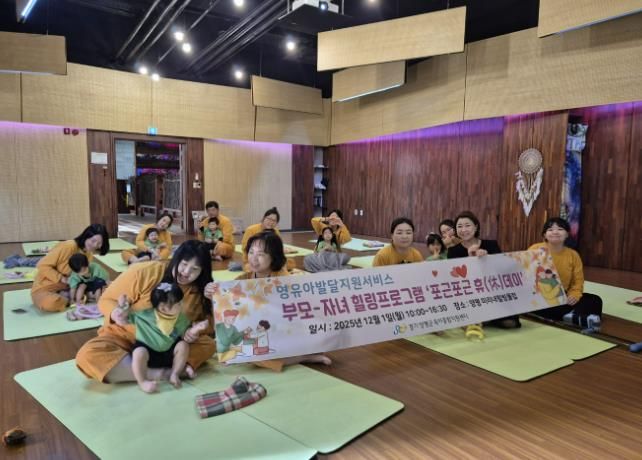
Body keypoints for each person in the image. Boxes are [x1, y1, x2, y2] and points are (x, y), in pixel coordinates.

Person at [75, 240, 216, 384]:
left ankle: (133, 368)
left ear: (202, 272)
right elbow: (107, 299)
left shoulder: (200, 291)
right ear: (176, 258)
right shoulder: (147, 271)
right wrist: (116, 313)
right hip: (127, 339)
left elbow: (209, 329)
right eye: (184, 264)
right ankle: (162, 373)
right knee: (87, 355)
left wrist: (212, 301)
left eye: (194, 269)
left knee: (208, 345)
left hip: (168, 345)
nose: (186, 272)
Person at [233, 231, 331, 370]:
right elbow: (228, 300)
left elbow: (297, 313)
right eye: (251, 252)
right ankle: (303, 357)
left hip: (283, 330)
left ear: (273, 257)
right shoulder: (244, 278)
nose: (253, 259)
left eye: (261, 254)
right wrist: (212, 292)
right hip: (260, 332)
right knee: (246, 350)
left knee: (323, 332)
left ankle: (302, 355)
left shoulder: (284, 281)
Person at [128, 282, 207, 393]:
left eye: (181, 301)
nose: (182, 305)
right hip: (148, 351)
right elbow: (125, 318)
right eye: (178, 304)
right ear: (163, 308)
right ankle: (142, 381)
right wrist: (121, 308)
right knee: (138, 353)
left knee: (183, 345)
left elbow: (185, 335)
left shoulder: (181, 318)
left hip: (169, 353)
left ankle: (174, 373)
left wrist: (195, 329)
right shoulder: (144, 315)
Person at [448, 211, 520, 329]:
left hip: (493, 293)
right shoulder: (453, 251)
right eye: (459, 226)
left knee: (510, 323)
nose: (463, 229)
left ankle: (489, 317)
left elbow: (501, 270)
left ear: (476, 227)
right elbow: (455, 279)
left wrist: (487, 259)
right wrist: (470, 259)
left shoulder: (491, 245)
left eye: (467, 225)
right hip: (469, 295)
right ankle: (484, 317)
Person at [529, 217, 602, 322]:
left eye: (560, 229)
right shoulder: (535, 249)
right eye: (550, 229)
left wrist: (575, 294)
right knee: (546, 306)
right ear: (544, 235)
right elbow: (525, 271)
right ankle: (577, 317)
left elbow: (578, 281)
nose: (555, 232)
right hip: (540, 294)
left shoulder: (573, 255)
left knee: (595, 300)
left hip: (562, 295)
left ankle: (572, 316)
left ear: (567, 234)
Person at [31, 224, 110, 312]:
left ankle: (75, 298)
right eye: (93, 240)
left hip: (71, 288)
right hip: (46, 288)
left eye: (99, 244)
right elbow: (42, 265)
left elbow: (84, 277)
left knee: (106, 291)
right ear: (86, 236)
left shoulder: (89, 254)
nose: (95, 245)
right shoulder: (68, 246)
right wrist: (61, 278)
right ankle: (74, 298)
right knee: (50, 303)